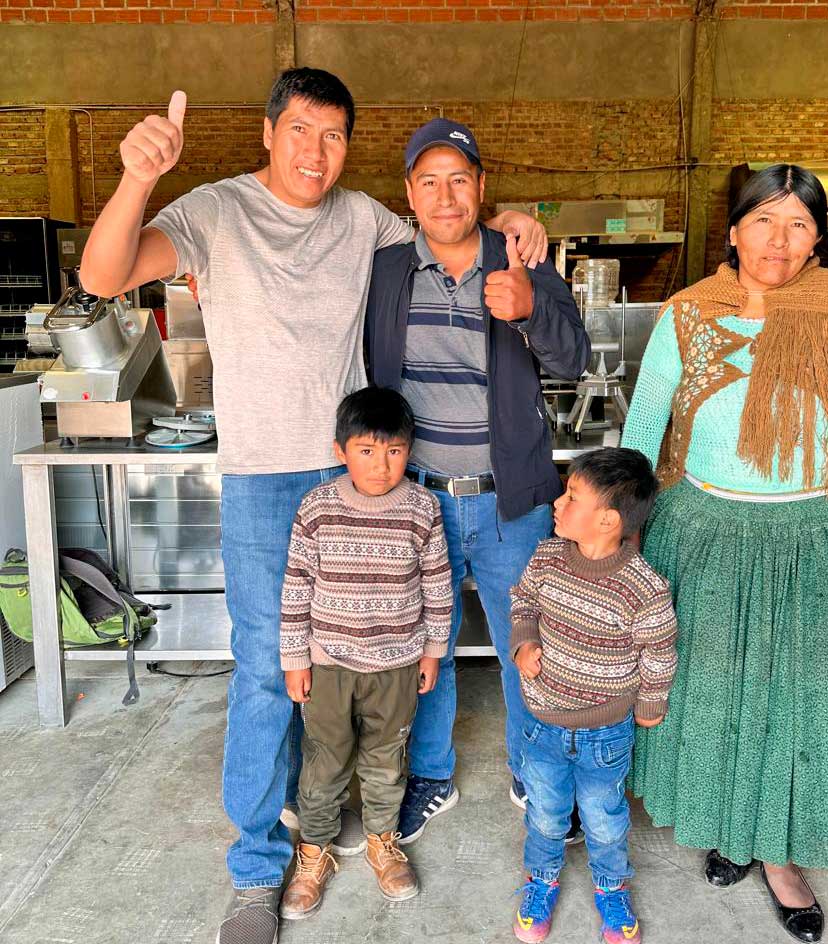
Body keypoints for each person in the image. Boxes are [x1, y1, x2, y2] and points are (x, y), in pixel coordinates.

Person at [77, 69, 545, 944]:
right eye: (300, 130)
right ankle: (259, 867)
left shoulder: (364, 218)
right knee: (266, 668)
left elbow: (448, 226)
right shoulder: (215, 211)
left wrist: (515, 223)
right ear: (268, 132)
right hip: (262, 481)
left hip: (358, 478)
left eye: (333, 137)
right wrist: (139, 176)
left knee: (364, 656)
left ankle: (335, 818)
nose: (315, 152)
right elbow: (104, 275)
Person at [622, 163, 828, 943]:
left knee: (801, 708)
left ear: (817, 240)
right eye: (764, 219)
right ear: (733, 231)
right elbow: (646, 423)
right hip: (711, 538)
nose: (779, 238)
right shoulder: (689, 315)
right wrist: (624, 525)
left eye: (798, 224)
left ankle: (783, 858)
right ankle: (733, 829)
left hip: (820, 539)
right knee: (719, 697)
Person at [364, 117, 591, 843]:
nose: (445, 195)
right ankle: (431, 775)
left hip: (509, 503)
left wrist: (530, 311)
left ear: (481, 187)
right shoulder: (387, 271)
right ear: (409, 193)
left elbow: (573, 360)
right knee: (422, 646)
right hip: (416, 497)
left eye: (459, 179)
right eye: (429, 181)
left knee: (529, 646)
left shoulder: (522, 258)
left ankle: (534, 773)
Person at [278, 386, 452, 920]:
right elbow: (296, 586)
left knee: (386, 759)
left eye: (395, 451)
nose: (382, 465)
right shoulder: (318, 507)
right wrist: (295, 659)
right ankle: (314, 853)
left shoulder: (422, 508)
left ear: (410, 450)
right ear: (341, 451)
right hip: (329, 663)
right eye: (367, 451)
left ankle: (382, 841)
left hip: (397, 664)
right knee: (324, 761)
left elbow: (437, 586)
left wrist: (432, 652)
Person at [508, 448, 677, 944]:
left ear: (607, 520)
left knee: (605, 819)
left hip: (606, 733)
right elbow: (523, 601)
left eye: (572, 496)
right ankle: (540, 881)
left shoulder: (644, 588)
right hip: (543, 724)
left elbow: (659, 648)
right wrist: (523, 642)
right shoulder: (546, 558)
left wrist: (651, 702)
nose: (558, 504)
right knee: (545, 813)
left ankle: (610, 887)